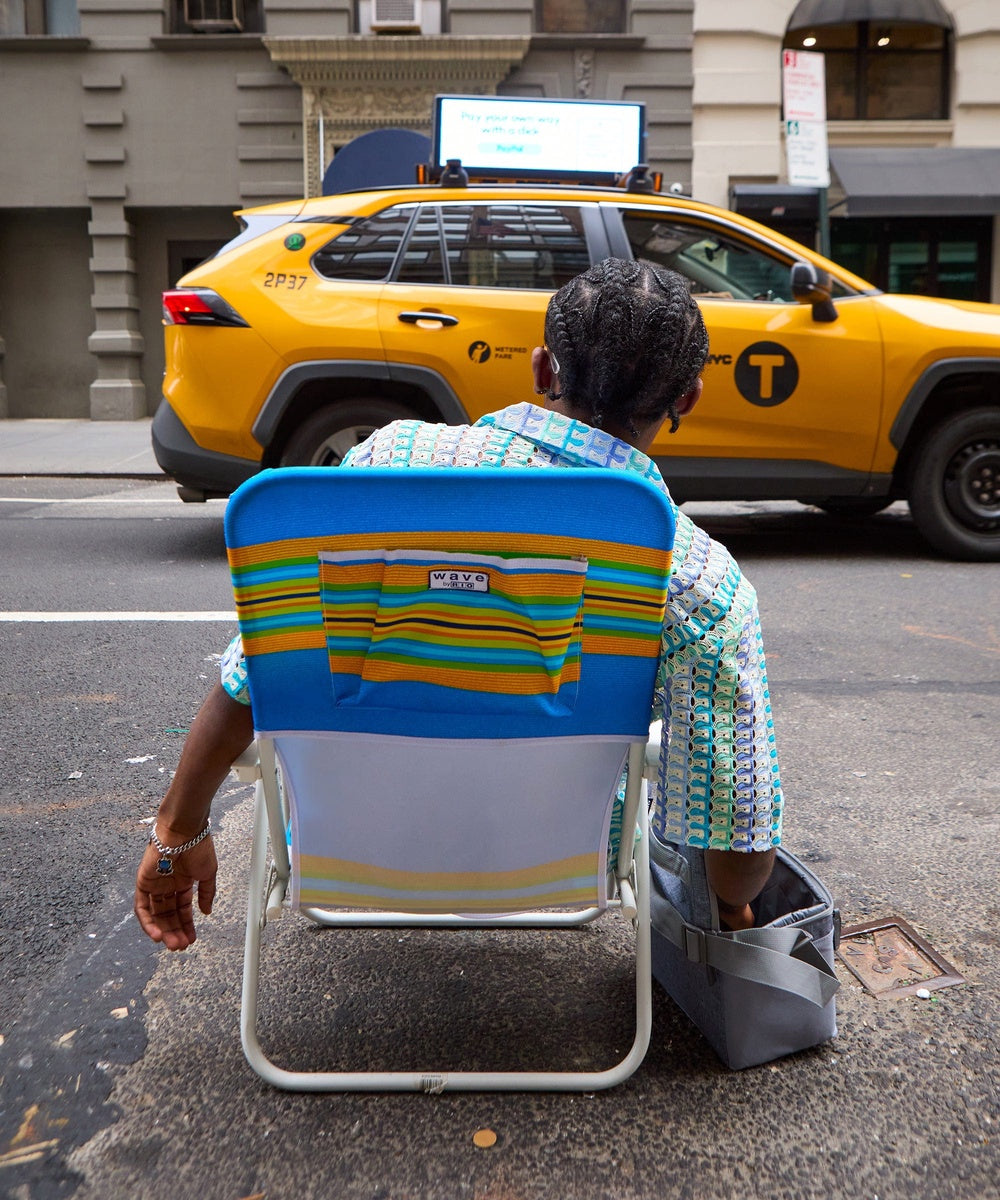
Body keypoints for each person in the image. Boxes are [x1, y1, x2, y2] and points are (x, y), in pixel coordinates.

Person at [134, 258, 781, 951]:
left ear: (542, 368)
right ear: (688, 398)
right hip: (560, 864)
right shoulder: (698, 583)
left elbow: (255, 674)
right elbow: (736, 840)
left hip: (350, 847)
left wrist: (176, 831)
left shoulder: (387, 465)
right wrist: (732, 911)